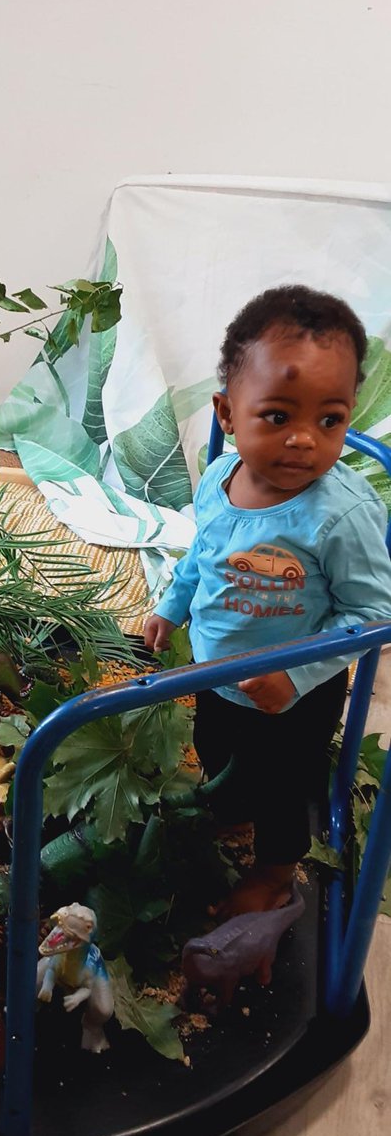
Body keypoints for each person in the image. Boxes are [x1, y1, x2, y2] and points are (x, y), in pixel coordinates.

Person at [144, 285, 391, 916]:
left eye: (329, 419)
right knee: (218, 750)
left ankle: (277, 874)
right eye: (278, 416)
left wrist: (298, 673)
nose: (305, 440)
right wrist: (172, 606)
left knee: (286, 788)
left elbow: (372, 616)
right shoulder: (220, 481)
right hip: (214, 669)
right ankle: (230, 806)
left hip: (294, 694)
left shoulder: (340, 515)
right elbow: (204, 554)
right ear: (227, 413)